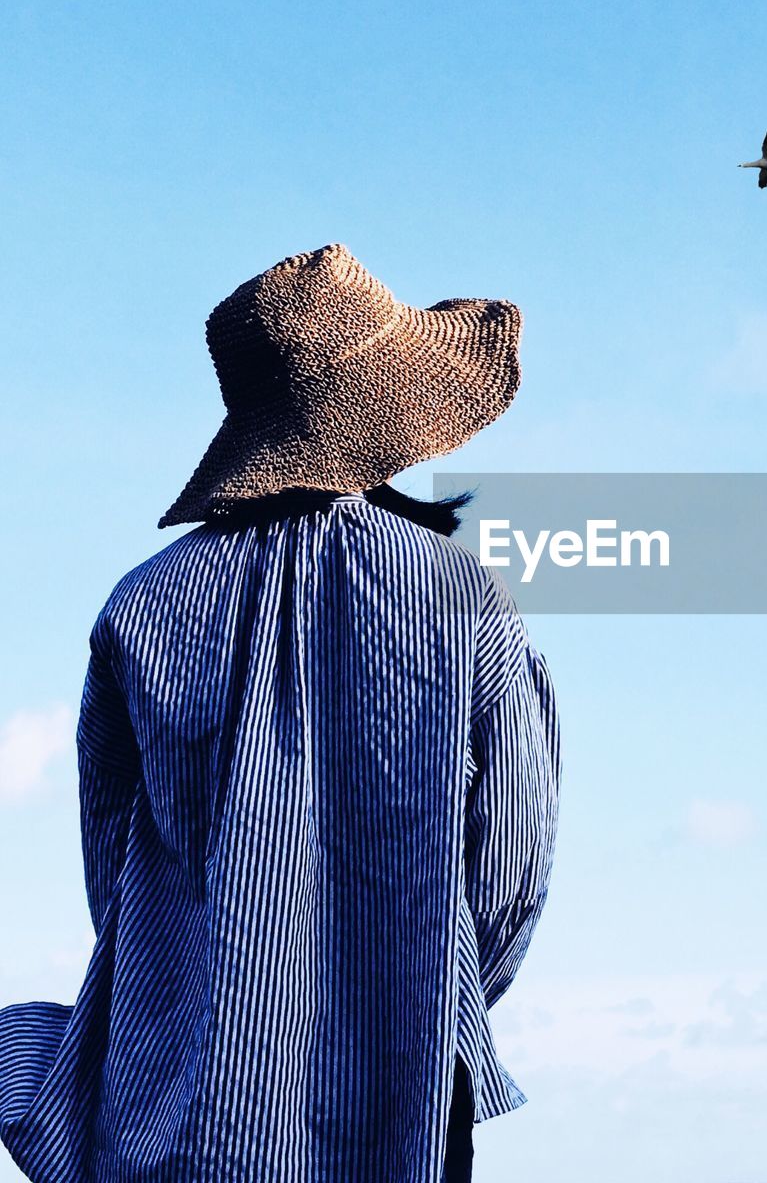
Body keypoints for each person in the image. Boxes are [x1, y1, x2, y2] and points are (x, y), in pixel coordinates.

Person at [0, 244, 561, 1183]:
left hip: (185, 1107)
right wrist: (417, 988)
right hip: (410, 1107)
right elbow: (510, 868)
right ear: (394, 419)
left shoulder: (140, 605)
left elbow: (116, 880)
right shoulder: (465, 599)